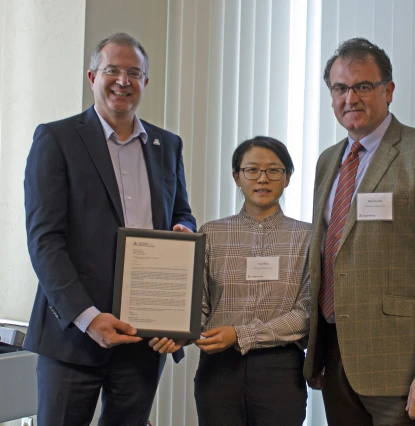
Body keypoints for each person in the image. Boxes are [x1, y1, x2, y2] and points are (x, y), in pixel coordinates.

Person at [24, 32, 196, 426]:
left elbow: (182, 212)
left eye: (134, 72)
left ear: (146, 82)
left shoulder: (166, 145)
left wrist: (184, 231)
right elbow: (44, 239)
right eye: (112, 70)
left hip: (144, 335)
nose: (123, 80)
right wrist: (86, 317)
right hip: (73, 335)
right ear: (92, 77)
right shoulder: (56, 139)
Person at [303, 37, 415, 426]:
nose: (351, 98)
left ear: (388, 90)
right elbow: (328, 258)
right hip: (336, 359)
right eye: (340, 88)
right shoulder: (328, 161)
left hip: (404, 369)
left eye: (363, 86)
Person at [155, 136, 311, 425]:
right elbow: (198, 304)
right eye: (252, 170)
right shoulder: (210, 233)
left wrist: (240, 335)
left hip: (280, 369)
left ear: (288, 178)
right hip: (219, 369)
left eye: (274, 170)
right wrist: (181, 331)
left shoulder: (308, 237)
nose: (262, 179)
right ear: (236, 176)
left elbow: (306, 313)